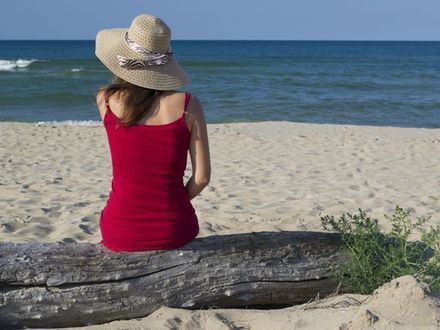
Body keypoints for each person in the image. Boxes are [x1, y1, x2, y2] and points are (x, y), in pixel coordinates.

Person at [94, 14, 211, 252]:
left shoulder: (104, 99)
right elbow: (202, 178)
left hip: (119, 229)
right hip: (174, 229)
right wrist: (171, 204)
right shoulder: (188, 104)